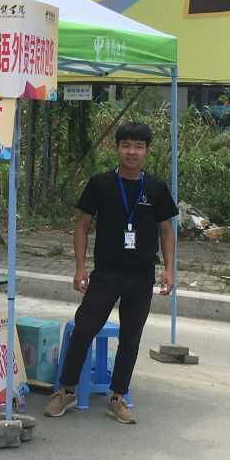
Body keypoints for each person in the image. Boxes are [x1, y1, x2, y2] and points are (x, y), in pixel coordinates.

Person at [43, 122, 178, 424]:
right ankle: (67, 390)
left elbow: (166, 231)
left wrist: (169, 269)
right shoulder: (100, 183)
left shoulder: (156, 188)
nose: (132, 152)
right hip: (106, 272)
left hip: (142, 274)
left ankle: (117, 397)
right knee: (83, 329)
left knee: (131, 337)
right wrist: (80, 266)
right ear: (117, 148)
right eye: (126, 145)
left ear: (147, 151)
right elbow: (82, 225)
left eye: (138, 146)